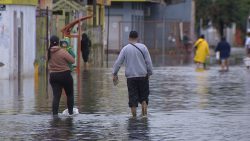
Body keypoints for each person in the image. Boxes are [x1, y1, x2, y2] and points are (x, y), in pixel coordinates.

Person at [112, 31, 153, 117]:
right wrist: (149, 73)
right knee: (144, 98)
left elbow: (118, 62)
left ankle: (134, 119)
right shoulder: (143, 47)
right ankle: (144, 117)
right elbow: (149, 62)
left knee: (133, 99)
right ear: (138, 38)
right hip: (143, 76)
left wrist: (114, 73)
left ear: (129, 38)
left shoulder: (125, 49)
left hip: (131, 78)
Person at [48, 35, 75, 115]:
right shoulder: (62, 51)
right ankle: (70, 114)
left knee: (56, 97)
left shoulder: (48, 52)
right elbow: (72, 61)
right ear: (59, 42)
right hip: (65, 75)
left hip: (53, 76)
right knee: (70, 95)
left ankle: (55, 115)